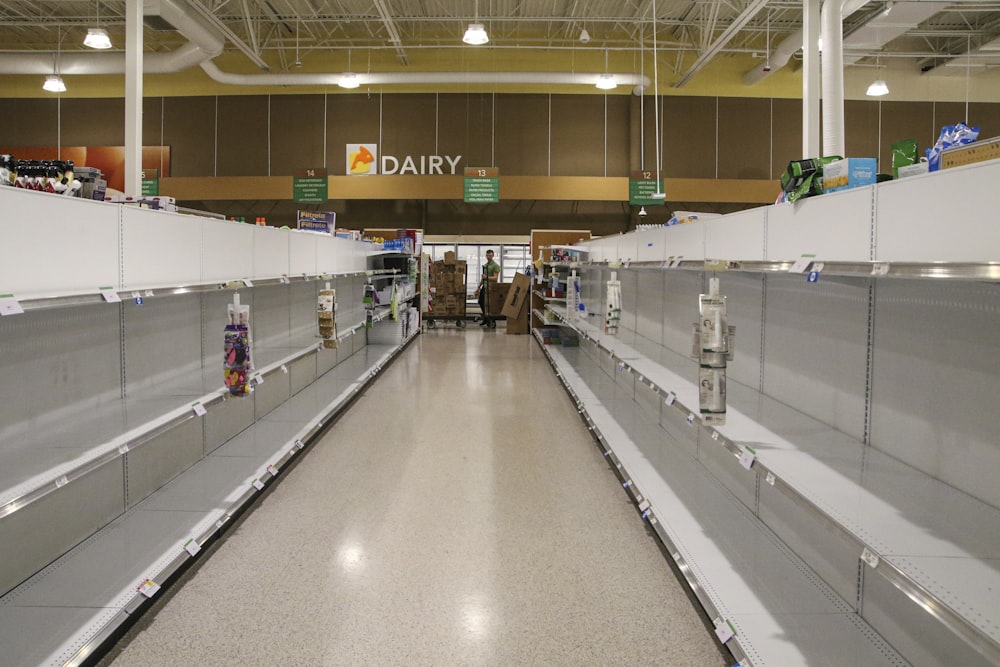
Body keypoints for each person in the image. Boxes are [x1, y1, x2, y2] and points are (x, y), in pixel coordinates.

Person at [477, 249, 501, 326]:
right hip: (485, 286)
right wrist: (478, 287)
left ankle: (491, 320)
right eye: (487, 255)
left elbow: (495, 278)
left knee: (490, 304)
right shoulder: (485, 266)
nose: (488, 257)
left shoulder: (495, 266)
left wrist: (486, 277)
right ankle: (486, 318)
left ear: (493, 255)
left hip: (491, 287)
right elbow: (483, 278)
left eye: (490, 255)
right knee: (481, 302)